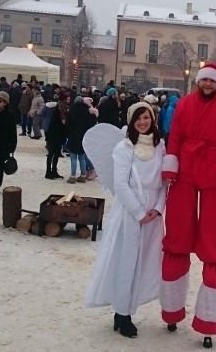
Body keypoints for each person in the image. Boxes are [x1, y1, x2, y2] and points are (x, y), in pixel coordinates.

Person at [159, 62, 216, 349]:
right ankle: (171, 311)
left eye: (212, 82)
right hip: (185, 174)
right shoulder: (183, 104)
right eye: (204, 81)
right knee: (178, 239)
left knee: (215, 244)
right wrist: (171, 166)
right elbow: (176, 138)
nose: (208, 85)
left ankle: (208, 321)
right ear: (198, 82)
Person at [84, 102, 166, 338]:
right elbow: (120, 184)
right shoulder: (124, 147)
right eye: (138, 118)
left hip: (153, 214)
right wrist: (140, 213)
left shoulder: (160, 147)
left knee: (145, 261)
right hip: (131, 213)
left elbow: (163, 182)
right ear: (131, 121)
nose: (143, 122)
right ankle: (122, 313)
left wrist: (158, 209)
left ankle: (131, 305)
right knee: (126, 261)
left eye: (146, 117)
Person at [66, 96, 96, 183]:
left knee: (73, 157)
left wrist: (68, 134)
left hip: (73, 135)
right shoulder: (87, 110)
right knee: (82, 157)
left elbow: (68, 124)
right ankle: (83, 175)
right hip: (84, 136)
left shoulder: (72, 110)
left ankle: (73, 176)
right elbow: (91, 123)